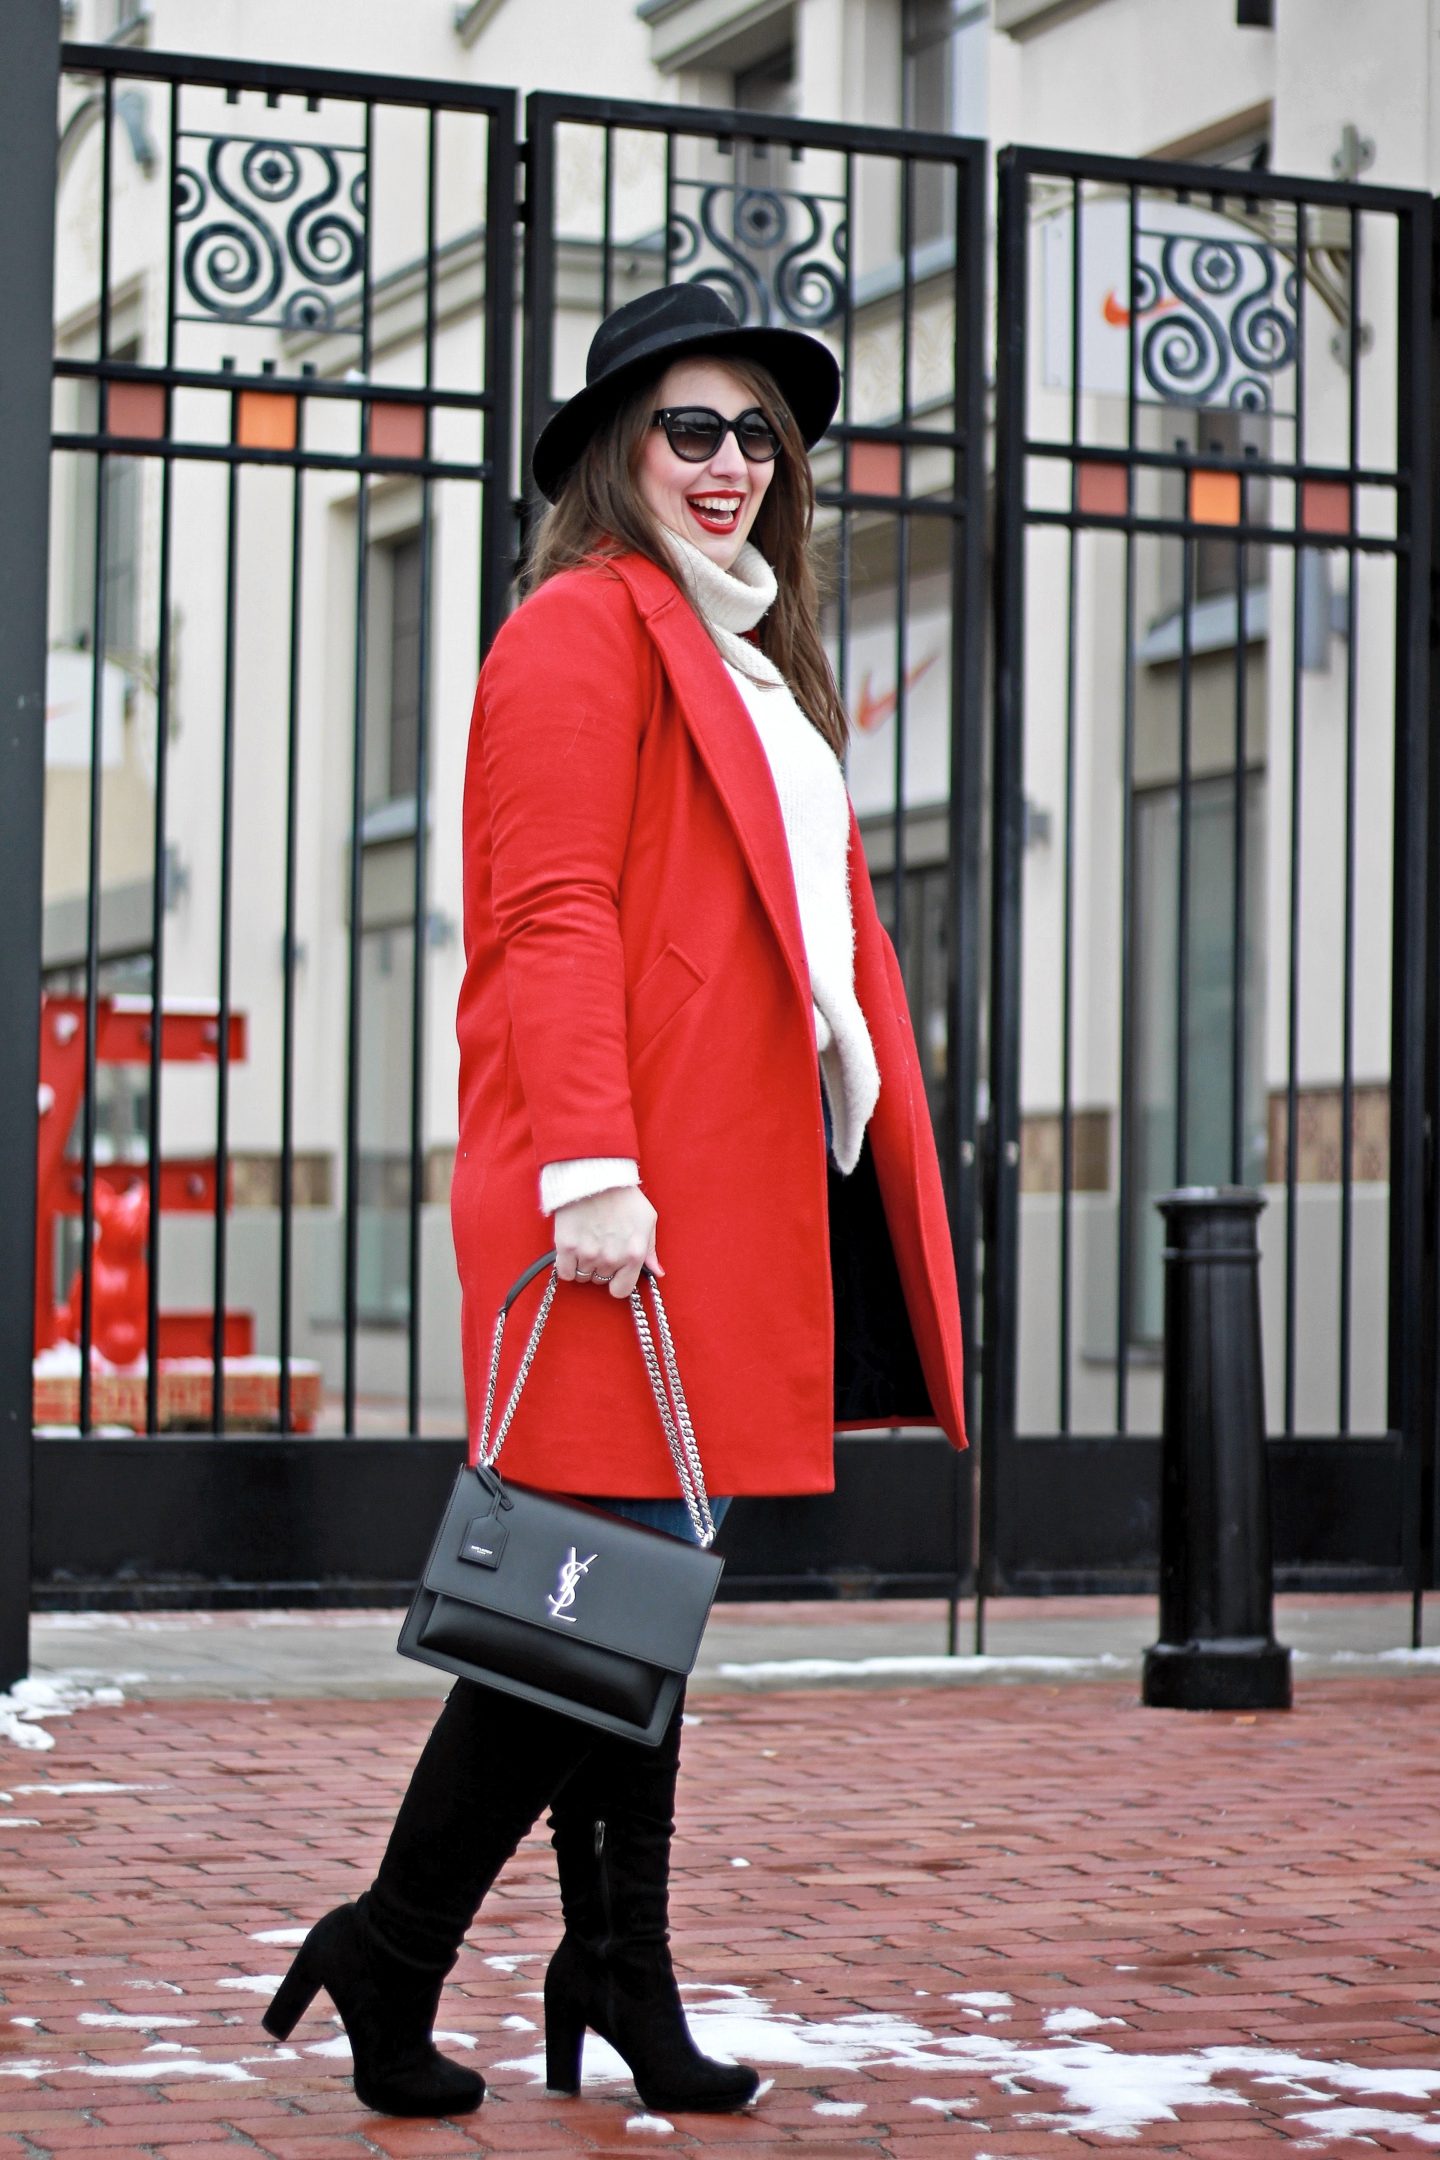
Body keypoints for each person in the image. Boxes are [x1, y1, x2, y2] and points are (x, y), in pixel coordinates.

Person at [263, 283, 967, 2120]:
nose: (730, 465)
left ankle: (616, 1970)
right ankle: (395, 1946)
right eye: (691, 430)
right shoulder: (582, 632)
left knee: (634, 1612)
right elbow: (549, 914)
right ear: (612, 455)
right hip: (619, 1205)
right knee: (583, 1620)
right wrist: (592, 1172)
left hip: (719, 1200)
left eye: (758, 435)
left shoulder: (747, 658)